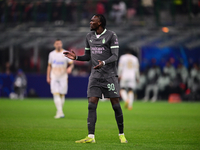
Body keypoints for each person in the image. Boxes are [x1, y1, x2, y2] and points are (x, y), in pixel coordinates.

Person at [63, 14, 127, 143]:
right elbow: (87, 56)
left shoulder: (111, 35)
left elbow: (115, 56)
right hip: (95, 75)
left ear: (100, 23)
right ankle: (91, 137)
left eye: (93, 21)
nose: (90, 22)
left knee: (115, 105)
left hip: (109, 76)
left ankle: (121, 134)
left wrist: (103, 63)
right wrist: (76, 58)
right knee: (91, 105)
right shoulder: (89, 36)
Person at [47, 39, 73, 119]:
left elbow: (71, 64)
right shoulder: (51, 54)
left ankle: (59, 112)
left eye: (60, 43)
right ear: (54, 45)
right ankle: (60, 112)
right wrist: (48, 76)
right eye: (57, 43)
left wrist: (70, 68)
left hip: (63, 77)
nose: (59, 45)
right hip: (54, 76)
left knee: (62, 94)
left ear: (61, 44)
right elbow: (49, 66)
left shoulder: (66, 53)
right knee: (56, 93)